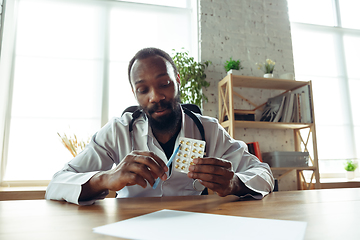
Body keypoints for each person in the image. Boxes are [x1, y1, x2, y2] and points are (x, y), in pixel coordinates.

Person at [45, 47, 274, 205]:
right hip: (130, 225)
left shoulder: (209, 130)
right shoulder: (118, 131)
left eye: (164, 84)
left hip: (194, 225)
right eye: (143, 90)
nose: (155, 97)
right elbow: (57, 183)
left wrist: (235, 183)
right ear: (134, 93)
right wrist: (106, 178)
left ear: (177, 79)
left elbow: (264, 173)